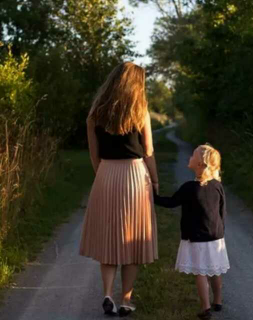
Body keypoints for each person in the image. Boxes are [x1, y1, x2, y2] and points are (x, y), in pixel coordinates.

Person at [79, 62, 159, 317]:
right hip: (135, 175)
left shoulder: (95, 113)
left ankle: (107, 294)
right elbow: (148, 151)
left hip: (106, 174)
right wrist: (155, 181)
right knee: (133, 240)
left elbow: (94, 155)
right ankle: (125, 300)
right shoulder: (140, 111)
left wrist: (103, 175)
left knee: (109, 239)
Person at [153, 144, 230, 320]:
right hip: (215, 237)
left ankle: (205, 307)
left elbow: (171, 202)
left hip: (196, 238)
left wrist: (153, 197)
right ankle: (217, 301)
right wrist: (220, 232)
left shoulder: (189, 188)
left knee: (200, 272)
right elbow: (222, 212)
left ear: (200, 164)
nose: (190, 156)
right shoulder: (218, 186)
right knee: (215, 270)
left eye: (193, 155)